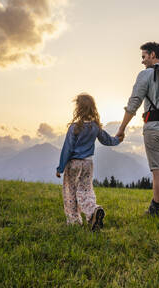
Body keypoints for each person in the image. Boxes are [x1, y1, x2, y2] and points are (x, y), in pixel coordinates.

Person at [116, 42, 159, 227]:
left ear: (153, 55)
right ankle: (154, 207)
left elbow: (134, 102)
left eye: (144, 56)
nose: (142, 61)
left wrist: (122, 128)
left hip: (154, 129)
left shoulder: (146, 74)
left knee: (158, 174)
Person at [56, 93, 122, 230]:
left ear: (78, 108)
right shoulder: (95, 127)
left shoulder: (74, 127)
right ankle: (93, 211)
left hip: (73, 163)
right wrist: (118, 139)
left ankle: (74, 221)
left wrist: (60, 168)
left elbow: (67, 149)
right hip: (87, 163)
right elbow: (107, 140)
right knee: (85, 190)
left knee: (70, 191)